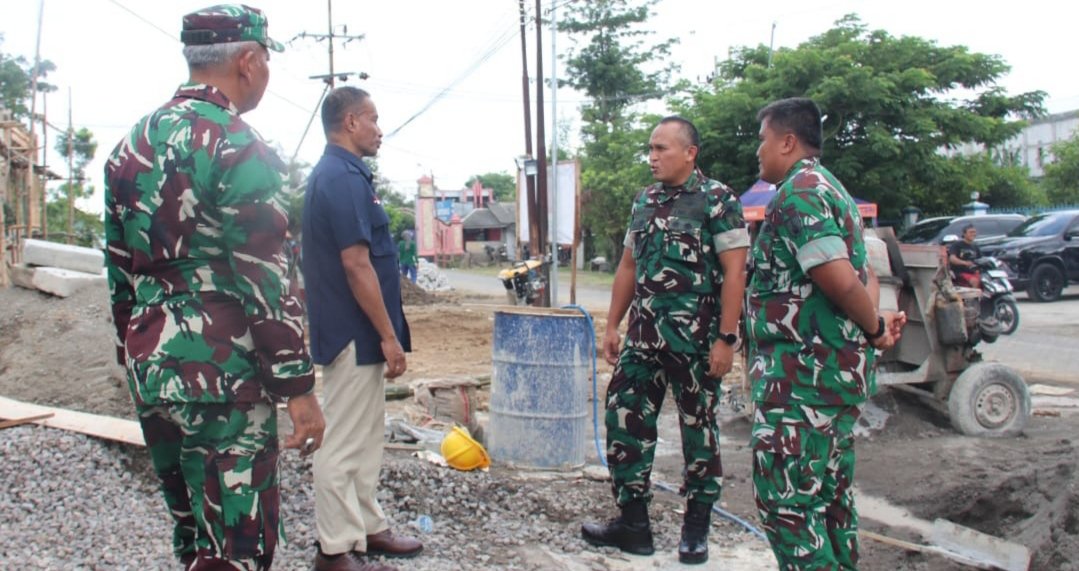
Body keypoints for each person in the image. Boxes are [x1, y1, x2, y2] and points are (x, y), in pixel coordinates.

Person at [103, 5, 325, 569]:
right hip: (224, 377)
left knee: (193, 540)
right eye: (267, 60)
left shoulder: (130, 147)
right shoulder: (239, 145)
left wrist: (135, 354)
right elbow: (265, 278)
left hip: (153, 368)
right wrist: (298, 388)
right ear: (247, 61)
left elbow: (119, 272)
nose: (266, 72)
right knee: (237, 548)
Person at [746, 97, 907, 569]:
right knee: (829, 502)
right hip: (829, 380)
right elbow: (864, 277)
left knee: (787, 505)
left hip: (803, 383)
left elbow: (838, 278)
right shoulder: (833, 190)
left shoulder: (800, 193)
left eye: (763, 140)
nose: (758, 151)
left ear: (788, 142)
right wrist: (874, 328)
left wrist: (875, 327)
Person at [581, 116, 749, 565]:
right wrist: (613, 325)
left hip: (697, 343)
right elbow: (629, 266)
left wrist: (727, 338)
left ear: (690, 153)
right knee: (624, 419)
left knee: (699, 431)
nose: (652, 157)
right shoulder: (645, 200)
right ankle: (633, 524)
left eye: (662, 149)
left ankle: (696, 528)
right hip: (643, 338)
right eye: (650, 149)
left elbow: (735, 271)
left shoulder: (717, 199)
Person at [302, 86, 419, 571]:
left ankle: (368, 527)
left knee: (367, 436)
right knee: (342, 441)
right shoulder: (339, 178)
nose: (379, 129)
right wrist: (388, 335)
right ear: (350, 122)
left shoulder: (349, 175)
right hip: (351, 332)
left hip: (361, 331)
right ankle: (333, 549)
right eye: (372, 118)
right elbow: (356, 264)